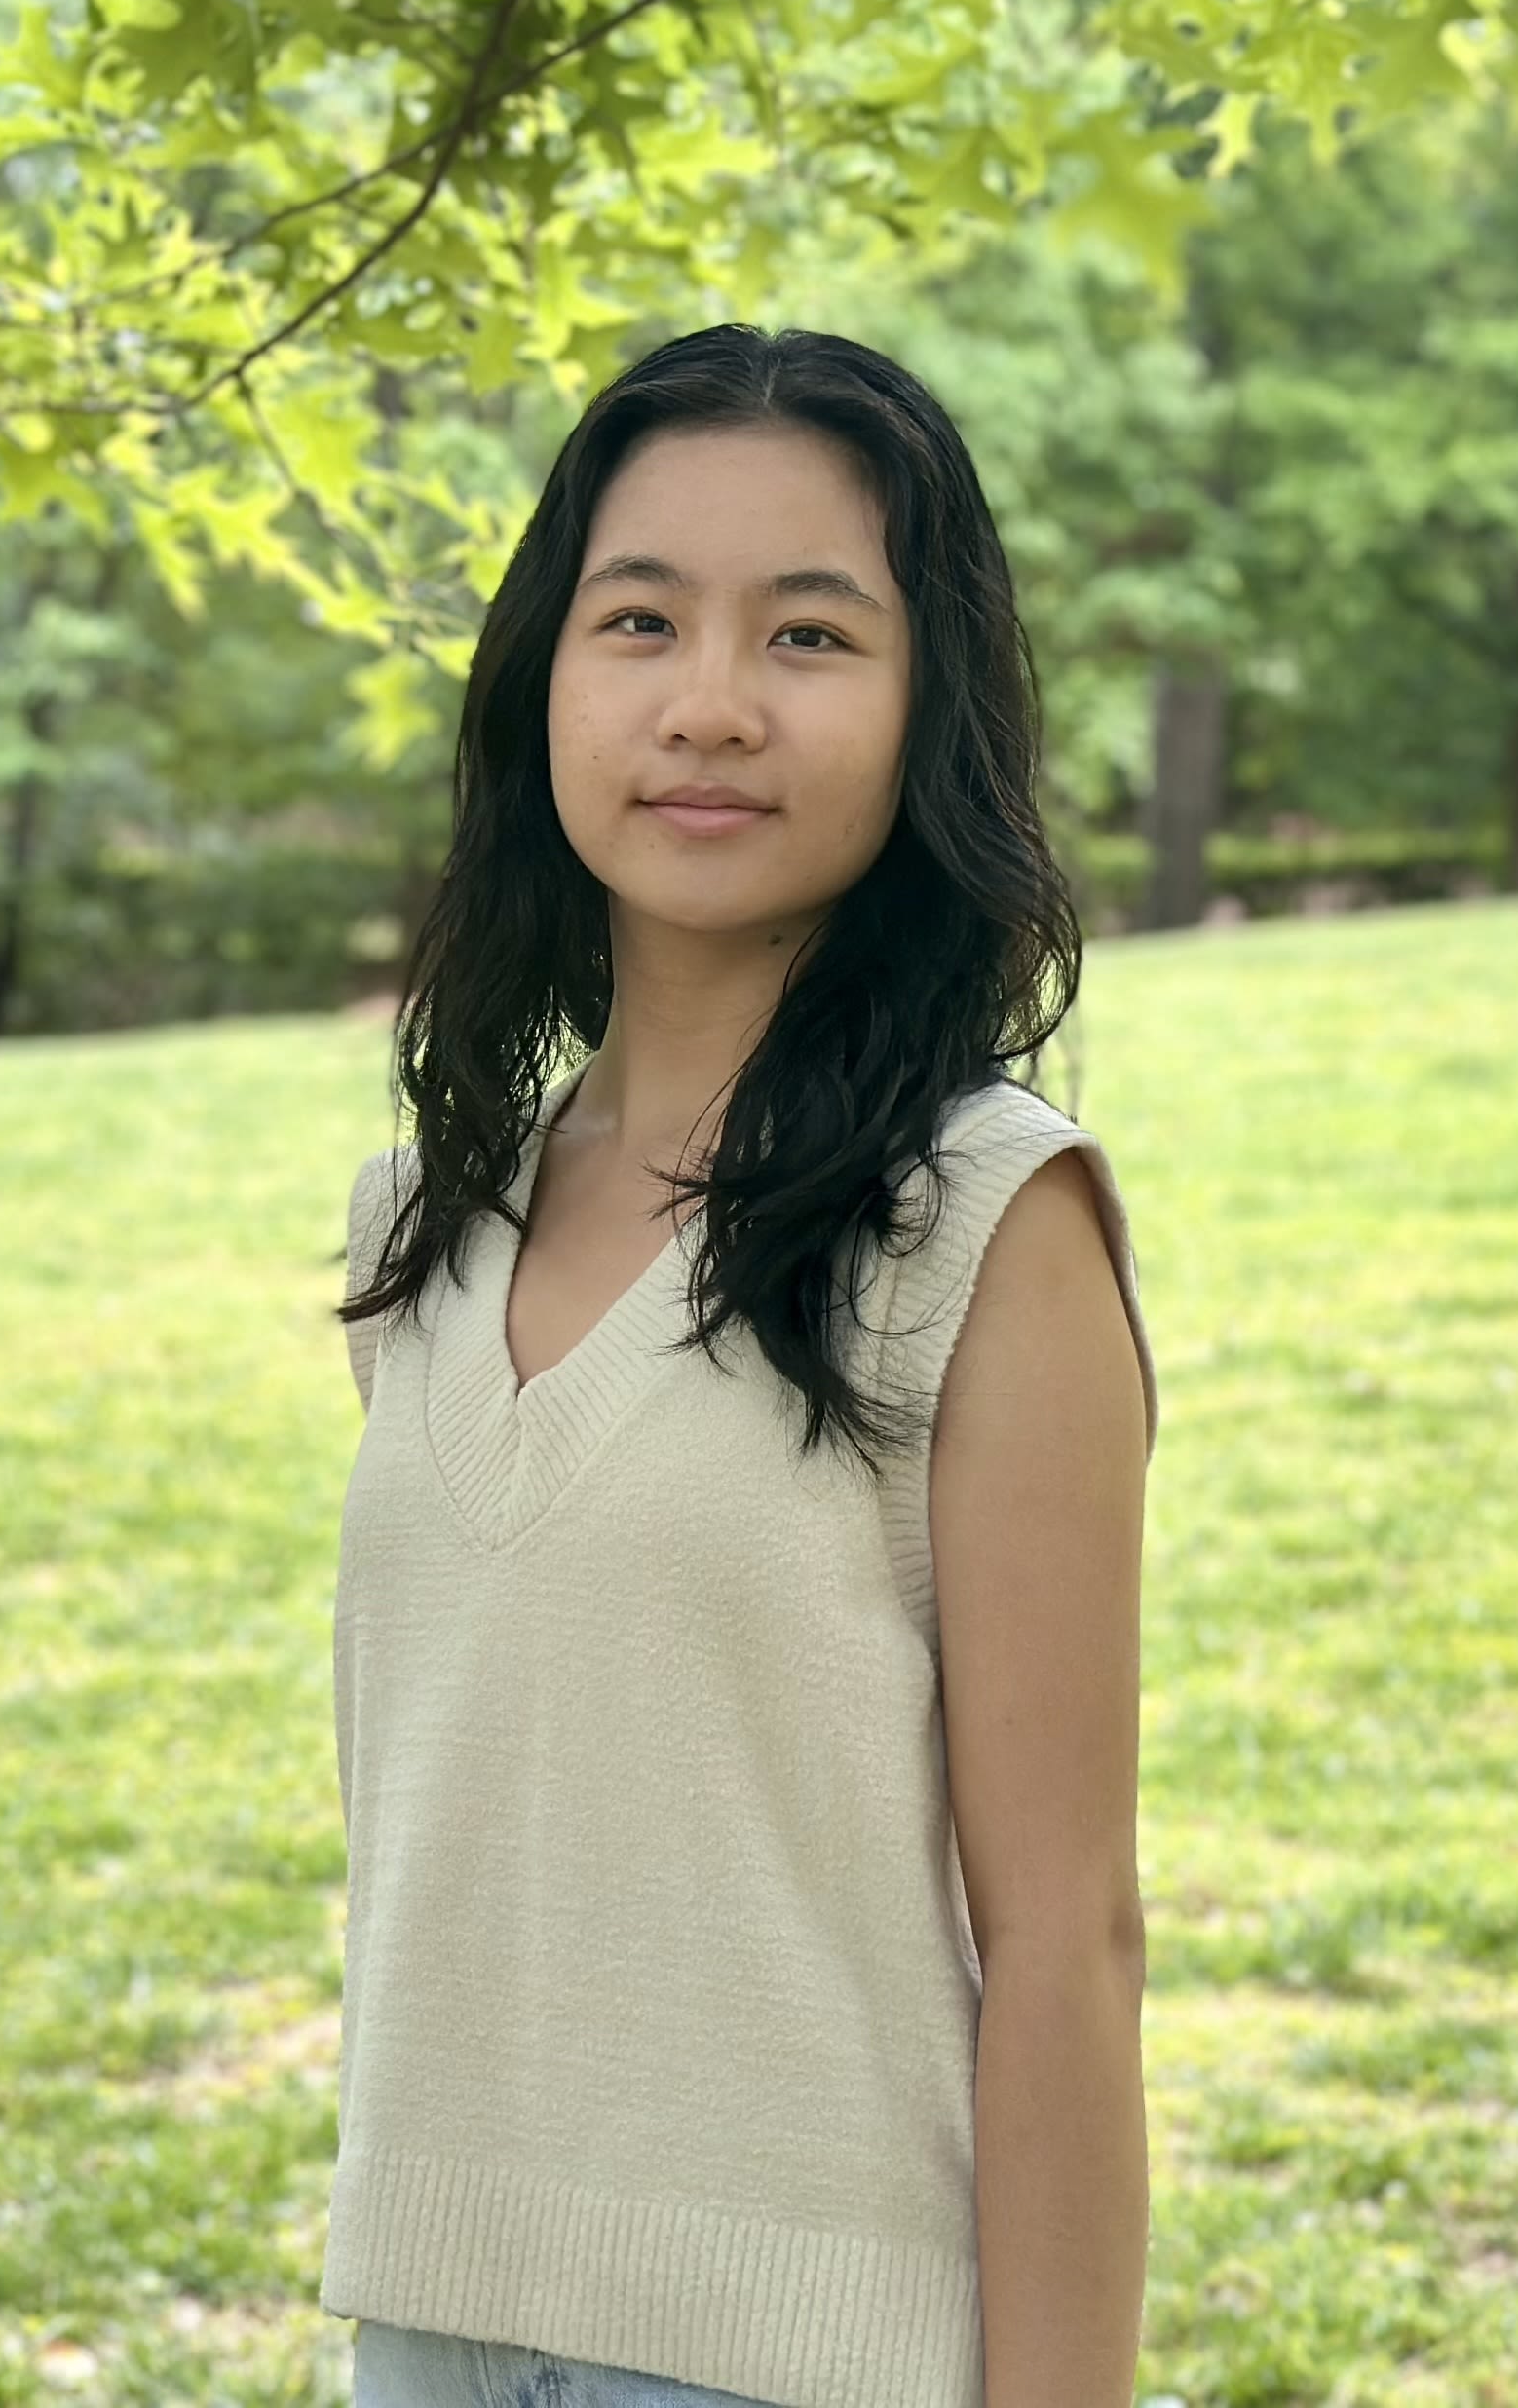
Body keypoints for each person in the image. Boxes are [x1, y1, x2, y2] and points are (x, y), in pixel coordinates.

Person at [326, 325, 1159, 2408]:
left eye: (809, 631)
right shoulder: (424, 1227)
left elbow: (1068, 1944)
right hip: (424, 2326)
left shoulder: (985, 1223)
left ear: (921, 710)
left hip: (799, 2363)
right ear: (543, 684)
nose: (710, 705)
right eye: (640, 620)